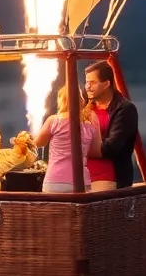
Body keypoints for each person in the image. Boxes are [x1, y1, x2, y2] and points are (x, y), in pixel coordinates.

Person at [34, 84, 102, 192]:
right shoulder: (89, 124)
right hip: (81, 181)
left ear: (61, 101)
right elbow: (96, 151)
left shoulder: (54, 121)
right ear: (81, 100)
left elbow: (38, 143)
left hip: (54, 181)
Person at [83, 61, 138, 190]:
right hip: (80, 177)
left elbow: (112, 147)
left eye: (93, 82)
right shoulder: (85, 107)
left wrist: (77, 148)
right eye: (86, 82)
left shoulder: (124, 109)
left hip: (109, 179)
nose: (87, 87)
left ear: (106, 84)